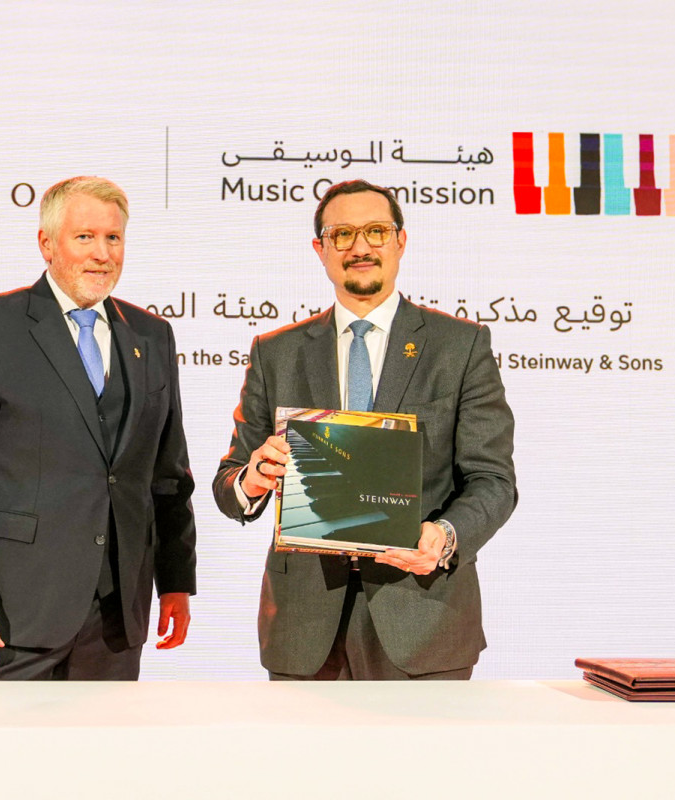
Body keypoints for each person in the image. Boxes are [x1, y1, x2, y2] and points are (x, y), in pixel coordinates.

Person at [213, 179, 516, 680]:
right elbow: (230, 484)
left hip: (423, 617)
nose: (360, 247)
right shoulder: (276, 352)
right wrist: (253, 478)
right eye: (342, 234)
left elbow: (494, 480)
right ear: (320, 249)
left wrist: (444, 536)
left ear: (400, 241)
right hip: (304, 625)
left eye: (376, 231)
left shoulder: (459, 346)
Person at [0, 176, 196, 680]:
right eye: (85, 237)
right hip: (6, 618)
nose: (102, 254)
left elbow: (167, 475)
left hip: (116, 623)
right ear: (47, 244)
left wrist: (174, 582)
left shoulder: (152, 335)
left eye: (113, 238)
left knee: (103, 738)